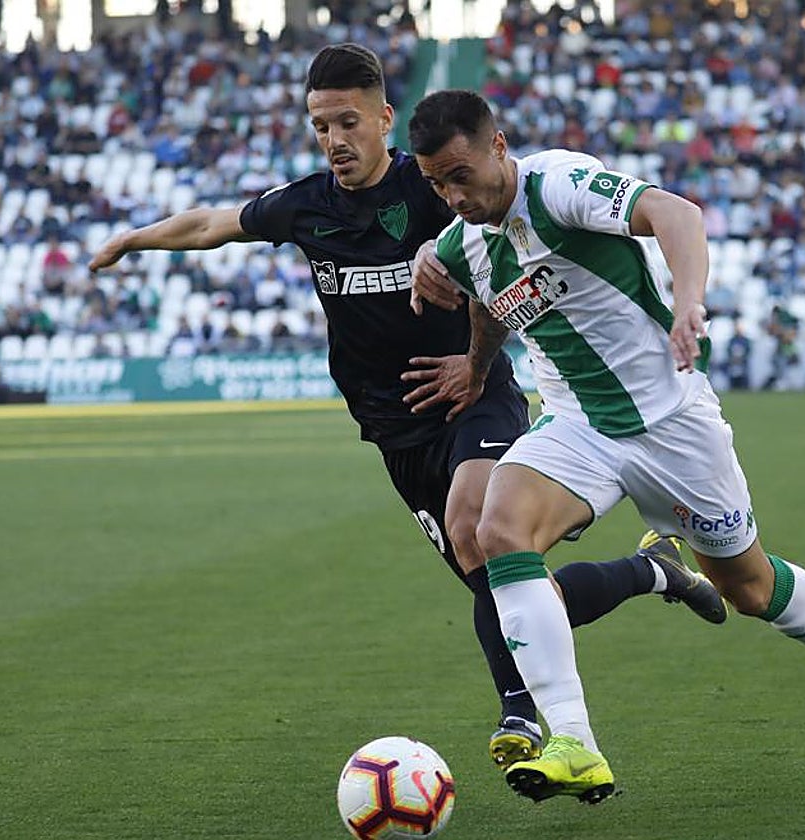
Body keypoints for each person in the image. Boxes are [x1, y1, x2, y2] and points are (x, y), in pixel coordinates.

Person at [88, 44, 726, 770]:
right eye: (320, 124)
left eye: (348, 122)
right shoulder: (307, 207)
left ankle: (521, 717)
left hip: (473, 402)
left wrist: (476, 361)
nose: (334, 139)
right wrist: (133, 241)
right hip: (395, 433)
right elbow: (211, 225)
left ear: (384, 119)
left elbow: (509, 234)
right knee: (509, 589)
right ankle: (654, 573)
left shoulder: (433, 187)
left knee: (481, 531)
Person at [407, 89, 805, 805]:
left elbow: (675, 213)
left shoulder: (556, 185)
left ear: (498, 147)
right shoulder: (461, 243)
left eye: (460, 174)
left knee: (748, 589)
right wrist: (477, 366)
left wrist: (690, 302)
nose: (453, 195)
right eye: (436, 184)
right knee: (496, 527)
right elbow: (485, 297)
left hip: (672, 423)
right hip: (577, 426)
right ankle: (575, 740)